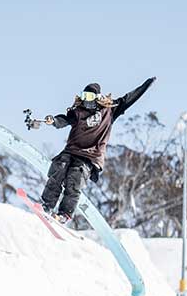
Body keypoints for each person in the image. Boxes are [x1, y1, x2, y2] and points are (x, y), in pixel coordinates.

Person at [40, 78, 156, 223]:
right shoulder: (78, 112)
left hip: (90, 157)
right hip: (70, 151)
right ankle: (46, 205)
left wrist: (145, 86)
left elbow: (128, 99)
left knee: (74, 178)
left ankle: (64, 214)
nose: (86, 100)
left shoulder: (110, 111)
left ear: (97, 98)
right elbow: (64, 119)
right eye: (84, 96)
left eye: (89, 97)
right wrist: (54, 121)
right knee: (59, 169)